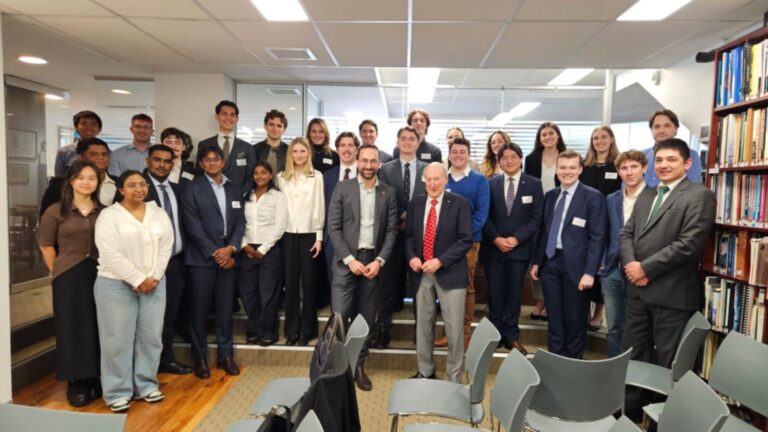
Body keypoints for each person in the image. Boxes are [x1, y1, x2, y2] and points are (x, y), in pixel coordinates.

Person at [620, 138, 715, 419]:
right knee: (633, 354)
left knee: (666, 362)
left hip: (672, 295)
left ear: (687, 163)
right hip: (638, 293)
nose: (664, 165)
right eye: (659, 160)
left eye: (671, 160)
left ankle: (659, 419)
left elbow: (688, 244)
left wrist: (645, 269)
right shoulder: (648, 194)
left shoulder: (699, 195)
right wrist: (631, 266)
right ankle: (631, 414)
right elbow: (626, 234)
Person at [94, 170, 174, 412]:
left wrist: (154, 277)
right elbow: (109, 252)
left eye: (142, 184)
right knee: (117, 340)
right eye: (131, 185)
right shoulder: (109, 216)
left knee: (150, 337)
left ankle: (146, 385)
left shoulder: (158, 213)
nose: (138, 189)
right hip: (116, 285)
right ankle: (117, 391)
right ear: (121, 189)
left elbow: (166, 246)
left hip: (155, 284)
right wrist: (138, 278)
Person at [328, 144, 398, 391]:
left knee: (366, 319)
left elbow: (391, 231)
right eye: (364, 160)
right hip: (346, 261)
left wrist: (379, 261)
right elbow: (333, 228)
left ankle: (359, 366)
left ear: (379, 163)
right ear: (357, 161)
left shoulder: (387, 193)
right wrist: (350, 259)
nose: (368, 166)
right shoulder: (342, 188)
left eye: (373, 161)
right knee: (339, 317)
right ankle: (337, 367)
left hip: (373, 263)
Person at [38, 160, 103, 407]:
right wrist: (57, 271)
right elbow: (45, 244)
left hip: (98, 273)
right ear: (71, 180)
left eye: (92, 178)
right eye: (82, 177)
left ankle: (93, 376)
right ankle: (76, 381)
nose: (87, 182)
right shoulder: (56, 211)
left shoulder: (104, 211)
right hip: (68, 275)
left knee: (96, 325)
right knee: (71, 326)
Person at [531, 150, 606, 359]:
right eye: (562, 167)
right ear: (556, 170)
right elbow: (545, 231)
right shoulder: (551, 196)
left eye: (572, 167)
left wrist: (590, 272)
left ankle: (573, 365)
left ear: (580, 169)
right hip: (550, 263)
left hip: (578, 268)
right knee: (554, 317)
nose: (567, 172)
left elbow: (598, 237)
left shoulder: (593, 197)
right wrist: (538, 262)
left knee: (575, 319)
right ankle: (556, 361)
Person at [181, 145, 245, 379]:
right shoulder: (191, 189)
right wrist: (216, 253)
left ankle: (225, 356)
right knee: (198, 312)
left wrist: (230, 248)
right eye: (206, 160)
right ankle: (199, 358)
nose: (211, 163)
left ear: (223, 161)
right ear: (200, 164)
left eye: (216, 159)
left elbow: (240, 222)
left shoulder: (234, 188)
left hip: (229, 259)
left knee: (225, 311)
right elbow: (192, 226)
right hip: (201, 261)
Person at [406, 163, 472, 382]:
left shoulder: (460, 204)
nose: (433, 184)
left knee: (454, 330)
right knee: (423, 326)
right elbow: (407, 238)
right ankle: (425, 371)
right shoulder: (415, 204)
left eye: (437, 179)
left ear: (446, 180)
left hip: (450, 274)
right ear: (424, 181)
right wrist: (412, 257)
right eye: (429, 180)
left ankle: (454, 376)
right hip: (421, 274)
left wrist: (440, 261)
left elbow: (465, 240)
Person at [483, 143, 543, 355]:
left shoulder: (534, 184)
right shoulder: (490, 184)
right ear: (498, 161)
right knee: (495, 294)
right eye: (504, 157)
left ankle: (511, 336)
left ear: (521, 158)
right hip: (494, 249)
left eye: (513, 157)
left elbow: (536, 218)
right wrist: (497, 239)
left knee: (513, 295)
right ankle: (494, 336)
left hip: (520, 250)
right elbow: (484, 216)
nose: (509, 161)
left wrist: (516, 239)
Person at [434, 138, 489, 350]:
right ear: (448, 155)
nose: (458, 155)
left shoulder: (479, 180)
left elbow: (481, 214)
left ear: (468, 155)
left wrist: (464, 237)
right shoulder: (441, 178)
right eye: (454, 152)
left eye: (462, 152)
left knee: (465, 287)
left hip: (469, 244)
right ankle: (449, 333)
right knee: (444, 288)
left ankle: (465, 335)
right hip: (442, 246)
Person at [375, 126, 427, 348]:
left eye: (411, 139)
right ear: (397, 142)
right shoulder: (385, 169)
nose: (407, 142)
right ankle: (383, 329)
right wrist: (399, 217)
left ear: (418, 142)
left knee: (420, 288)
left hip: (419, 237)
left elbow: (429, 198)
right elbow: (382, 198)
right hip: (392, 235)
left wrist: (411, 217)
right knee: (387, 285)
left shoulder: (428, 169)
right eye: (403, 139)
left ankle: (421, 333)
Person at [143, 144, 192, 375]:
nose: (162, 165)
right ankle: (146, 365)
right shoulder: (137, 188)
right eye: (157, 160)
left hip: (175, 263)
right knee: (148, 318)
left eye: (166, 161)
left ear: (173, 164)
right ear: (148, 162)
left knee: (169, 314)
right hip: (148, 265)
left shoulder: (178, 188)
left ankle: (166, 358)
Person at [277, 137, 325, 346]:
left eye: (302, 151)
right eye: (295, 151)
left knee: (308, 284)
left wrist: (319, 236)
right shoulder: (281, 178)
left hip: (308, 235)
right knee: (290, 285)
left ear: (308, 154)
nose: (299, 155)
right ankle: (291, 331)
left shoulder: (317, 177)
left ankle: (307, 330)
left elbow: (319, 207)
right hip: (287, 234)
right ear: (290, 154)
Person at [600, 150, 647, 358]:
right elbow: (602, 232)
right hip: (612, 271)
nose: (629, 172)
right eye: (624, 168)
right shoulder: (611, 199)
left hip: (641, 272)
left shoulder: (655, 197)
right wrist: (602, 265)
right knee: (613, 327)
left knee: (636, 328)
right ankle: (613, 371)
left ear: (644, 168)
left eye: (634, 167)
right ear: (618, 172)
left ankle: (633, 375)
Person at [239, 161, 287, 347]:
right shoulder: (246, 197)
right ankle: (252, 331)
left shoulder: (278, 197)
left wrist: (263, 248)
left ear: (270, 175)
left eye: (264, 173)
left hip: (269, 250)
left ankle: (267, 332)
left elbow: (280, 225)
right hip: (247, 249)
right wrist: (244, 245)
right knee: (248, 293)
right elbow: (239, 223)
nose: (259, 176)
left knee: (268, 294)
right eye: (256, 173)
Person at [580, 126, 622, 332]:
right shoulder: (584, 167)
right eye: (595, 138)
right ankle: (585, 311)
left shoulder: (618, 167)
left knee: (603, 268)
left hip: (610, 223)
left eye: (603, 137)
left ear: (611, 139)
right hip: (585, 224)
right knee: (585, 265)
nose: (599, 141)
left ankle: (598, 313)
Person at [524, 121, 567, 321]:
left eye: (551, 133)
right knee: (537, 256)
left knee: (557, 254)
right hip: (538, 210)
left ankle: (553, 300)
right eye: (543, 135)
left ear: (557, 135)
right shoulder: (532, 159)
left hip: (562, 208)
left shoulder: (566, 156)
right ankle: (540, 301)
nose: (547, 137)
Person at [41, 137, 119, 217]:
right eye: (93, 154)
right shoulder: (59, 184)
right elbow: (46, 217)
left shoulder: (119, 184)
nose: (101, 158)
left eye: (104, 154)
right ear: (81, 157)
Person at [323, 132, 360, 288]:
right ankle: (337, 313)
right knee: (335, 284)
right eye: (342, 145)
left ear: (357, 149)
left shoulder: (366, 174)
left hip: (359, 238)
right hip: (332, 239)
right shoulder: (327, 176)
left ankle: (357, 314)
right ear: (337, 149)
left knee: (358, 285)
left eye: (350, 145)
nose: (346, 149)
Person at [198, 100, 256, 190]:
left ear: (237, 119)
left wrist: (241, 193)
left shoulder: (247, 147)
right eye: (224, 114)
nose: (228, 118)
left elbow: (251, 176)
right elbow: (199, 173)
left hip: (238, 198)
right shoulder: (204, 144)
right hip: (210, 196)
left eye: (232, 115)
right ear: (217, 116)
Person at [643, 109, 702, 187]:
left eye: (667, 126)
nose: (661, 130)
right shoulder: (642, 155)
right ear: (651, 130)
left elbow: (692, 187)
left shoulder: (690, 155)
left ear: (676, 129)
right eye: (657, 127)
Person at [54, 110, 102, 177]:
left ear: (99, 129)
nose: (88, 127)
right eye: (84, 124)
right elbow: (59, 179)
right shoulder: (64, 152)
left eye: (93, 124)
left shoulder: (107, 153)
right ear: (76, 127)